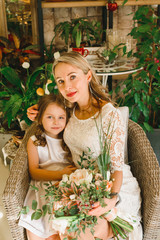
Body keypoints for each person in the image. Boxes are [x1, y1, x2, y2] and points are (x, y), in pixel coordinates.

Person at [27, 51, 142, 240]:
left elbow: (117, 168)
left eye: (73, 77)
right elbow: (52, 114)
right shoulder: (69, 108)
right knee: (49, 230)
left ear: (88, 75)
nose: (67, 86)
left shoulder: (108, 115)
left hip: (111, 185)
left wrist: (111, 198)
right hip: (81, 186)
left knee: (81, 234)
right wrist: (37, 112)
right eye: (60, 81)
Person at [19, 93, 76, 240]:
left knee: (64, 222)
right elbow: (34, 172)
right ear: (40, 119)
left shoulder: (70, 137)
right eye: (49, 117)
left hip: (65, 184)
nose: (55, 122)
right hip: (43, 182)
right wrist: (61, 174)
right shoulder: (35, 141)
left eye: (61, 117)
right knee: (41, 218)